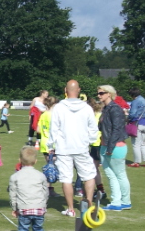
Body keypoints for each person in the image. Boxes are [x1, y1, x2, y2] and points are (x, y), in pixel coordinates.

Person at [47, 80, 98, 217]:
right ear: (79, 90)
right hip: (81, 147)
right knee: (89, 176)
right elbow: (93, 128)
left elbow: (53, 128)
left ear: (65, 90)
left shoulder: (58, 107)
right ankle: (89, 205)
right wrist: (90, 141)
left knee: (66, 178)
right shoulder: (87, 108)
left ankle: (70, 209)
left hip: (63, 148)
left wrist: (51, 145)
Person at [9, 146, 50, 231]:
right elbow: (45, 192)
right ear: (35, 161)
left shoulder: (15, 176)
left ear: (20, 160)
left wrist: (14, 208)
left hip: (24, 208)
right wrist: (44, 204)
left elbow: (13, 194)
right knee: (38, 229)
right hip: (39, 208)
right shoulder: (40, 175)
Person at [97, 85, 131, 211]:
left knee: (117, 175)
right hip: (107, 145)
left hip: (114, 146)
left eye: (101, 93)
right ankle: (123, 201)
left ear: (109, 94)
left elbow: (117, 129)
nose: (99, 95)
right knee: (116, 175)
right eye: (98, 93)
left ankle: (118, 202)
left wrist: (109, 148)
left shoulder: (114, 109)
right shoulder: (106, 108)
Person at [36, 96, 58, 196]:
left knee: (50, 166)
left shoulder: (43, 114)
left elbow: (38, 129)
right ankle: (48, 189)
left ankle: (48, 188)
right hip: (53, 144)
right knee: (53, 167)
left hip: (44, 143)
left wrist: (45, 132)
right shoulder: (54, 115)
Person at [127, 87, 145, 167]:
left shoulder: (135, 101)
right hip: (144, 123)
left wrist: (128, 118)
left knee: (135, 144)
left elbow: (133, 114)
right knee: (143, 144)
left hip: (137, 123)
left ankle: (136, 162)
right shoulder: (143, 100)